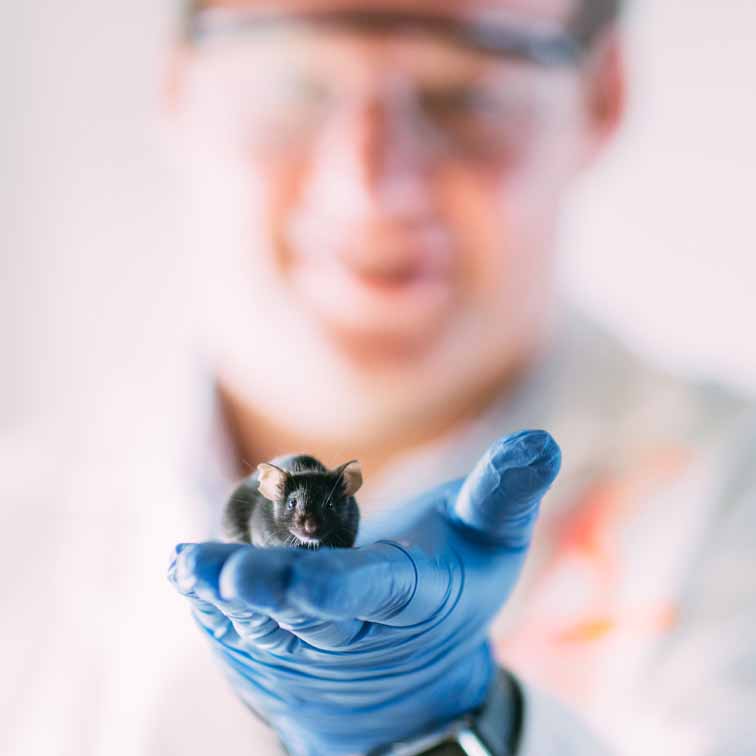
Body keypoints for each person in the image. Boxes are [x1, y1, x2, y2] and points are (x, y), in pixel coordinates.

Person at [160, 1, 756, 755]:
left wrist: (454, 734)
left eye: (465, 95)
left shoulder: (737, 514)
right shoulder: (24, 529)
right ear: (177, 85)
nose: (369, 188)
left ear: (601, 97)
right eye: (295, 85)